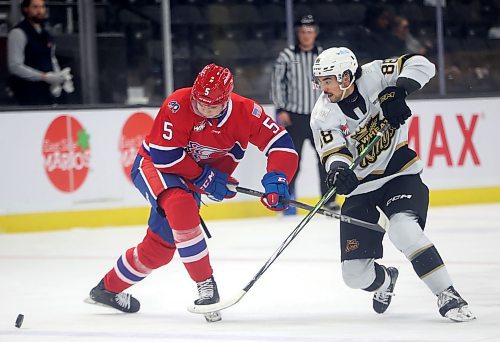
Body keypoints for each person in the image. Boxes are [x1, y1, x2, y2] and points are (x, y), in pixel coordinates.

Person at [86, 63, 299, 321]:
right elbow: (165, 157)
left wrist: (277, 177)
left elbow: (281, 144)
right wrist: (207, 179)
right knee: (181, 206)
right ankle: (206, 286)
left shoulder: (246, 112)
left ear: (226, 100)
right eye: (200, 104)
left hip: (191, 176)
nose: (203, 110)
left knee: (159, 251)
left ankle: (106, 289)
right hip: (154, 165)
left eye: (212, 107)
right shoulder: (178, 103)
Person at [310, 47, 475, 322]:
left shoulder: (376, 74)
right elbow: (333, 154)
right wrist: (339, 172)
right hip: (362, 189)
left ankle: (447, 293)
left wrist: (398, 91)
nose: (322, 87)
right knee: (354, 275)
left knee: (403, 230)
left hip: (400, 175)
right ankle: (386, 281)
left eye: (328, 80)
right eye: (319, 81)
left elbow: (423, 65)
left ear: (347, 76)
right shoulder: (322, 114)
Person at [271, 14, 339, 214]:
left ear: (315, 33)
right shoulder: (287, 56)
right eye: (302, 32)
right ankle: (286, 198)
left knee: (326, 159)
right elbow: (277, 83)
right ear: (297, 33)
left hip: (321, 115)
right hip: (295, 115)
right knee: (293, 159)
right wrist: (280, 108)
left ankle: (328, 200)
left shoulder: (324, 55)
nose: (306, 35)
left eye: (310, 32)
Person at [7, 0, 73, 106]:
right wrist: (44, 76)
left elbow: (51, 57)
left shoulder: (46, 34)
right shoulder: (18, 33)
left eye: (42, 7)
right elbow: (15, 66)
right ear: (26, 9)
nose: (40, 11)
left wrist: (59, 77)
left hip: (47, 91)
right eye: (35, 7)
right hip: (26, 91)